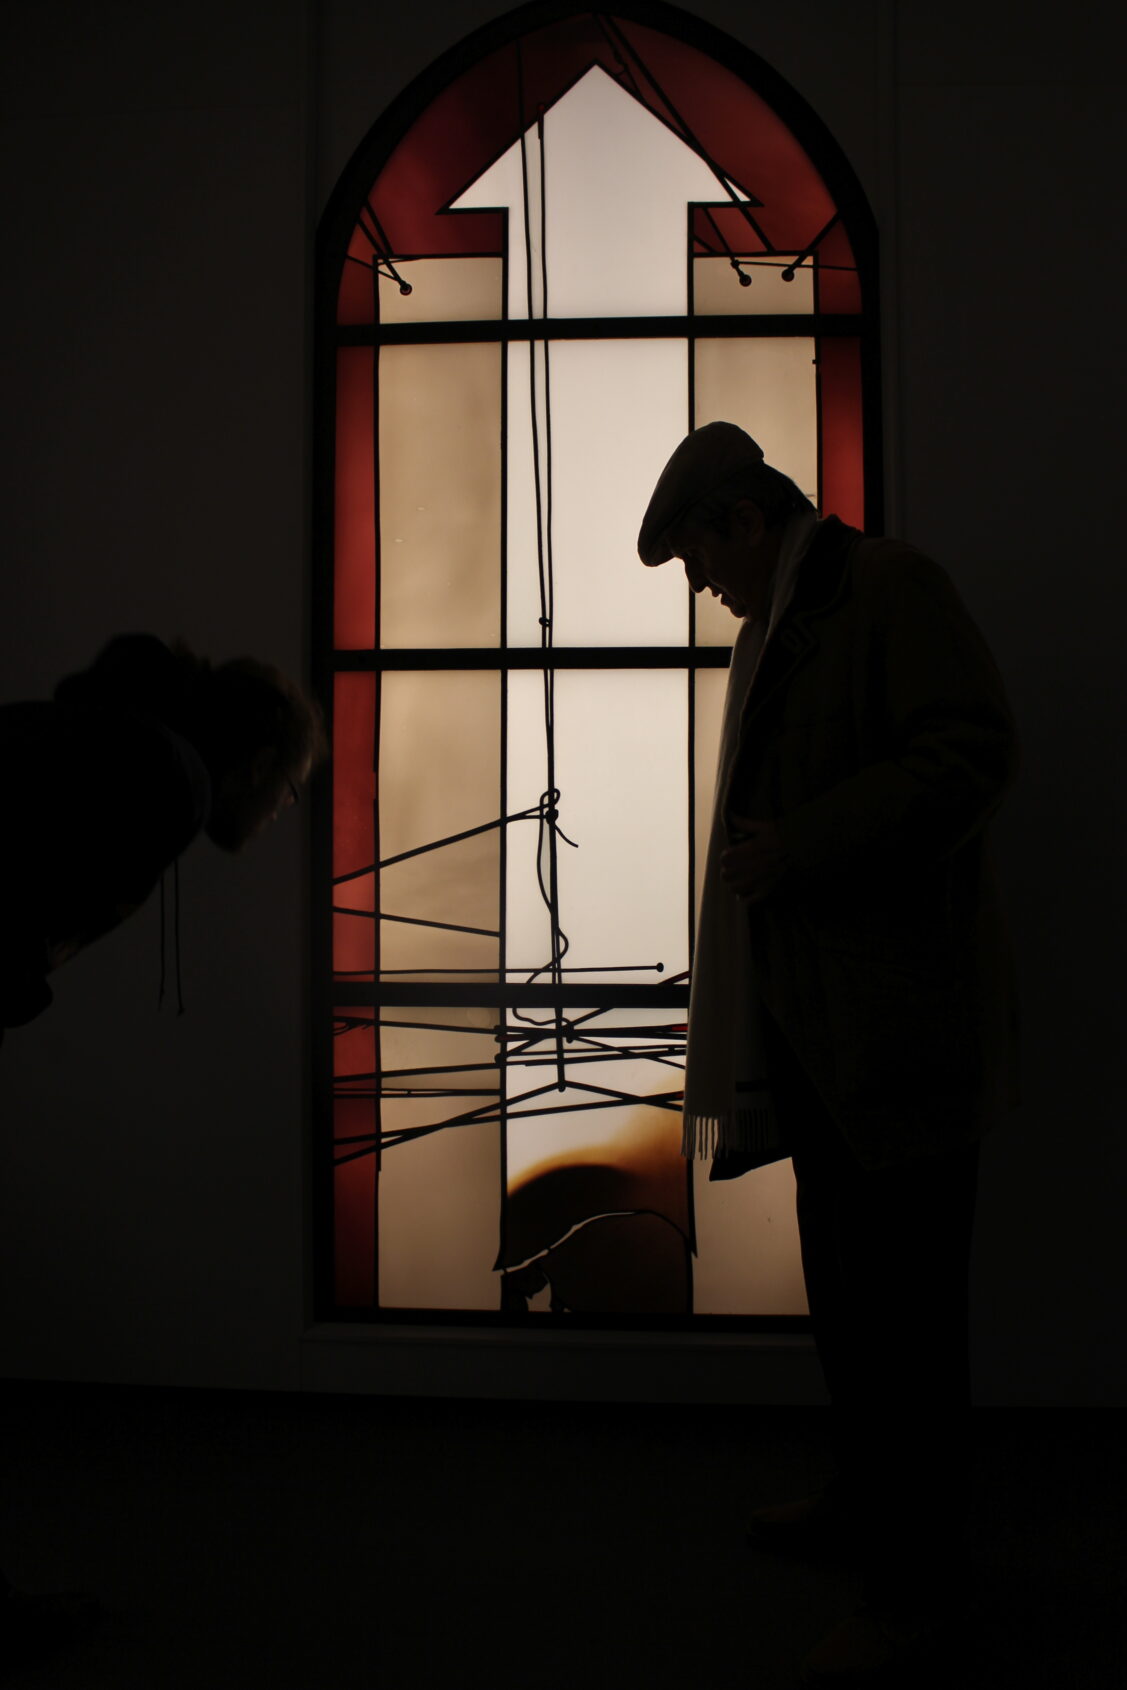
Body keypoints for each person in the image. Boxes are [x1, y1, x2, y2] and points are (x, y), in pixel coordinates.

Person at [637, 423, 1019, 1685]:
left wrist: (800, 846)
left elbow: (968, 754)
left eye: (699, 558)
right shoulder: (800, 617)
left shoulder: (884, 591)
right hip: (824, 1029)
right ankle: (869, 1508)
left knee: (904, 1322)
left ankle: (914, 1594)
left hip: (890, 1032)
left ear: (745, 521)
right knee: (857, 1308)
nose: (703, 589)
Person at [0, 631, 326, 1670]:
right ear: (254, 758)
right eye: (285, 788)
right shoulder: (167, 778)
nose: (281, 811)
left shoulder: (106, 738)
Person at [0, 631, 326, 1039]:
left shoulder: (139, 743)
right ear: (261, 766)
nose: (279, 812)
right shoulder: (174, 783)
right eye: (289, 792)